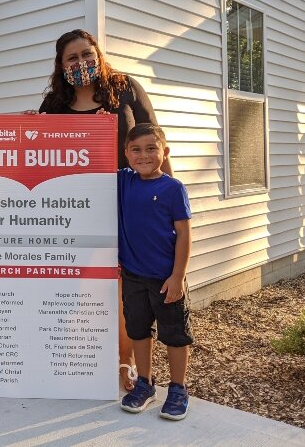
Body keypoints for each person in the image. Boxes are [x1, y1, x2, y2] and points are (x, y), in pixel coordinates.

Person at [32, 29, 173, 391]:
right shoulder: (54, 105)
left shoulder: (125, 88)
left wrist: (169, 200)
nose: (81, 62)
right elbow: (35, 150)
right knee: (80, 286)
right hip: (76, 207)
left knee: (130, 287)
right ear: (61, 66)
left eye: (86, 54)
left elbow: (156, 143)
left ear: (98, 53)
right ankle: (79, 357)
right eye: (72, 58)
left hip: (131, 205)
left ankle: (126, 362)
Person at [118, 123, 193, 420]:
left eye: (151, 148)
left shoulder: (173, 188)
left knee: (174, 335)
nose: (143, 155)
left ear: (165, 152)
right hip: (133, 277)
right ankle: (146, 384)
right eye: (135, 149)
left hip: (166, 279)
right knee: (138, 331)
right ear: (126, 154)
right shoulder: (123, 181)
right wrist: (38, 121)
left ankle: (178, 388)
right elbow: (86, 160)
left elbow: (185, 234)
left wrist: (177, 276)